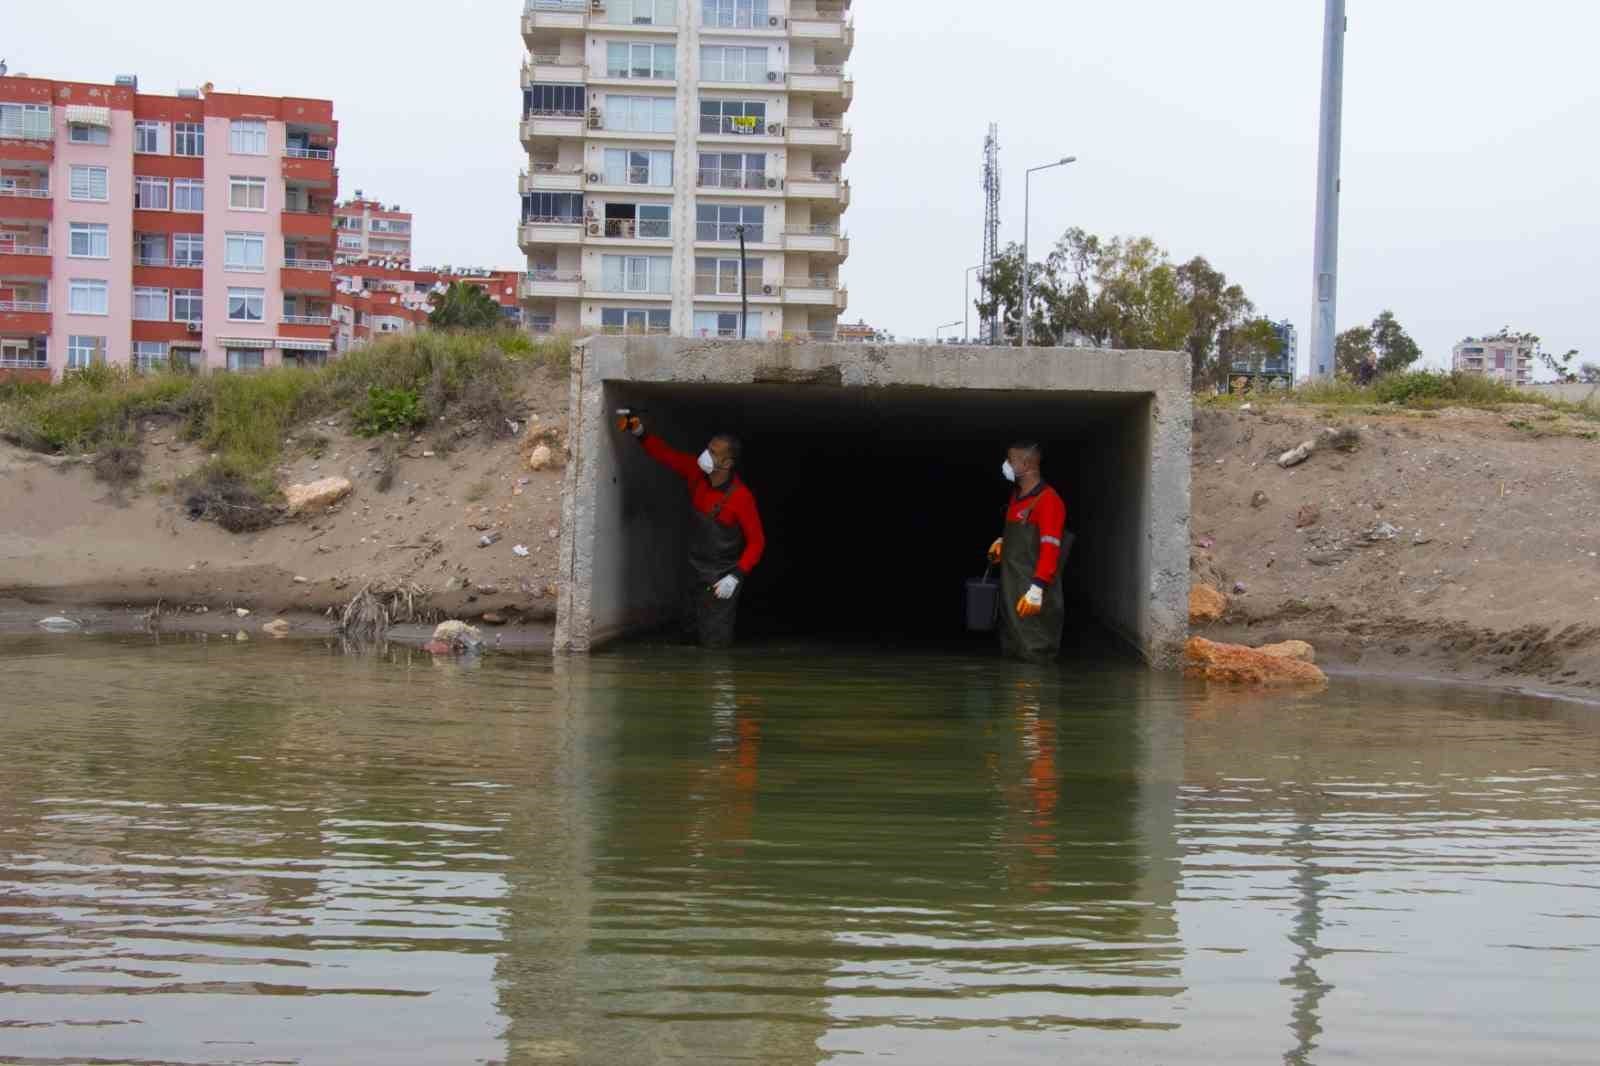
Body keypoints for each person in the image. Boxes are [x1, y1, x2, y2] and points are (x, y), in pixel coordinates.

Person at [618, 414, 765, 648]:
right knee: (688, 635)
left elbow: (757, 542)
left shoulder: (741, 497)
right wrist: (640, 431)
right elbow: (666, 455)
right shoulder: (695, 473)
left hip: (721, 579)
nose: (706, 455)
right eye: (708, 448)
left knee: (715, 641)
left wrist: (735, 576)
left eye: (714, 452)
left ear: (727, 464)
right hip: (693, 570)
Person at [986, 442, 1070, 663]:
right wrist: (1004, 543)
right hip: (1011, 596)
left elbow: (1050, 547)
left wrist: (1037, 589)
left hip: (1031, 597)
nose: (1006, 465)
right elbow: (1022, 537)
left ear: (1025, 464)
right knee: (1012, 652)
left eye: (1010, 460)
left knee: (1034, 655)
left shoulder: (1049, 500)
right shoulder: (1017, 497)